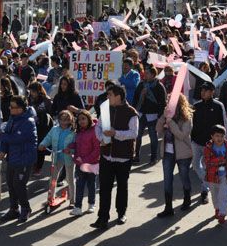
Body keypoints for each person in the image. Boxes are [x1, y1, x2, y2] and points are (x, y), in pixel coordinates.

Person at [92, 84, 139, 229]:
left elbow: (133, 133)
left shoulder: (131, 113)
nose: (107, 97)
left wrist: (115, 133)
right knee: (104, 187)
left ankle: (121, 213)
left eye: (110, 95)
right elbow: (98, 126)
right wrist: (101, 137)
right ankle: (102, 218)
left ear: (118, 96)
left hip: (123, 157)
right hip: (106, 155)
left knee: (121, 186)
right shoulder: (105, 109)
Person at [0, 95, 38, 223]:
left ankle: (26, 208)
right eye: (10, 106)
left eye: (13, 107)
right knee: (10, 183)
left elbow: (16, 138)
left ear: (21, 108)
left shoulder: (29, 121)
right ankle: (14, 209)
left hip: (25, 158)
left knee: (18, 184)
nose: (10, 109)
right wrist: (3, 150)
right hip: (13, 158)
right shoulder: (12, 119)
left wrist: (2, 136)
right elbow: (8, 136)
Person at [155, 94, 193, 217]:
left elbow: (181, 135)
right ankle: (168, 207)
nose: (169, 104)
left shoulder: (186, 118)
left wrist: (170, 122)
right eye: (168, 101)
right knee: (167, 180)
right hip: (167, 153)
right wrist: (163, 118)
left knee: (184, 177)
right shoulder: (167, 115)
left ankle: (187, 198)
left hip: (183, 154)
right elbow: (158, 130)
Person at [190, 82, 227, 205]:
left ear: (212, 92)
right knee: (196, 165)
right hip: (196, 141)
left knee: (207, 167)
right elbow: (191, 124)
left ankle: (204, 191)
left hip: (211, 144)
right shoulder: (196, 106)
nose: (203, 92)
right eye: (202, 90)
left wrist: (225, 139)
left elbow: (223, 123)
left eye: (205, 90)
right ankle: (207, 182)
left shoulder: (218, 106)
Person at [39, 110, 76, 209]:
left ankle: (72, 200)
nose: (64, 122)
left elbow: (76, 145)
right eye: (62, 120)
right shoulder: (54, 129)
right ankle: (50, 198)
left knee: (70, 179)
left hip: (68, 158)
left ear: (70, 120)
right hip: (57, 157)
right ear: (58, 120)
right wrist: (42, 144)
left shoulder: (73, 131)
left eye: (67, 120)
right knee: (53, 178)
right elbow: (48, 138)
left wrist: (71, 151)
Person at [203, 124, 227, 224]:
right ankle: (217, 208)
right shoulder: (208, 148)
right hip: (212, 176)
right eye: (217, 136)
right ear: (212, 137)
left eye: (221, 136)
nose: (219, 138)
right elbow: (208, 162)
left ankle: (222, 213)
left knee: (224, 195)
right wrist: (222, 160)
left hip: (226, 175)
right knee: (215, 195)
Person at [132, 65, 166, 164]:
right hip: (141, 113)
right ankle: (136, 155)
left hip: (153, 115)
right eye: (145, 73)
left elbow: (162, 102)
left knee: (153, 137)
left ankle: (153, 157)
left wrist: (160, 116)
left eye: (147, 73)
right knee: (137, 136)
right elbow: (135, 98)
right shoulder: (141, 84)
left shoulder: (159, 86)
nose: (145, 75)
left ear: (153, 74)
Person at [71, 109, 100, 216]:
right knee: (79, 185)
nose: (81, 121)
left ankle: (91, 204)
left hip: (92, 164)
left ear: (89, 118)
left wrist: (86, 160)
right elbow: (76, 144)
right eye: (79, 120)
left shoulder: (94, 131)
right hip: (80, 164)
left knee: (91, 185)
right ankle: (77, 207)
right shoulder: (78, 131)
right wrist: (70, 147)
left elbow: (97, 150)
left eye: (83, 119)